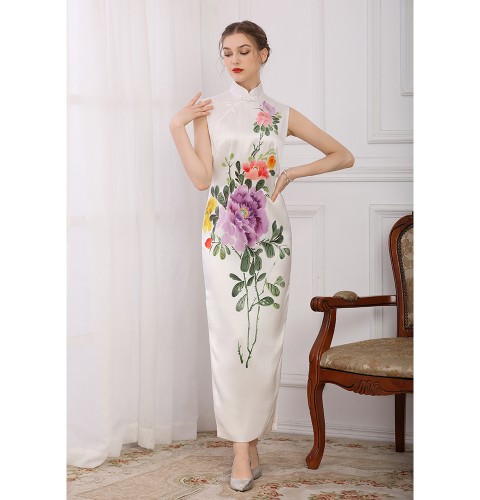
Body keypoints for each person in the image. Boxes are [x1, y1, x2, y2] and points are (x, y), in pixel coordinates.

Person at [169, 20, 354, 493]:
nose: (234, 60)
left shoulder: (280, 113)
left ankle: (249, 442)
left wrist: (291, 174)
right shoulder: (208, 111)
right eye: (227, 52)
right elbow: (201, 179)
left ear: (263, 54)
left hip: (269, 237)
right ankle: (240, 449)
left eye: (244, 51)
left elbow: (342, 155)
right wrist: (177, 127)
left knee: (262, 339)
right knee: (229, 338)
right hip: (222, 239)